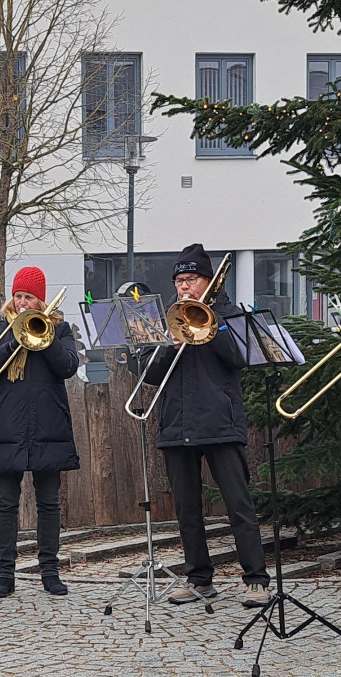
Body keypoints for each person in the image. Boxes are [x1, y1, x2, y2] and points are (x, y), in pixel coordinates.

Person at [140, 244, 272, 609]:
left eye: (191, 279)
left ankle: (256, 579)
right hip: (175, 421)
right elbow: (148, 374)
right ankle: (199, 577)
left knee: (238, 504)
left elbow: (240, 357)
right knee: (186, 508)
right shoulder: (166, 318)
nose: (185, 287)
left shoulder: (229, 313)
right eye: (180, 280)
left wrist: (208, 321)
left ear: (208, 279)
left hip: (220, 421)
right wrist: (174, 336)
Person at [0, 266, 79, 598]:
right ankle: (5, 574)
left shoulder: (59, 330)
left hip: (48, 424)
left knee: (49, 502)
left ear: (40, 300)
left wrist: (42, 338)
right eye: (17, 296)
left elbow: (68, 367)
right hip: (8, 425)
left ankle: (50, 570)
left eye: (28, 297)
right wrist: (13, 340)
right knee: (5, 503)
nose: (20, 302)